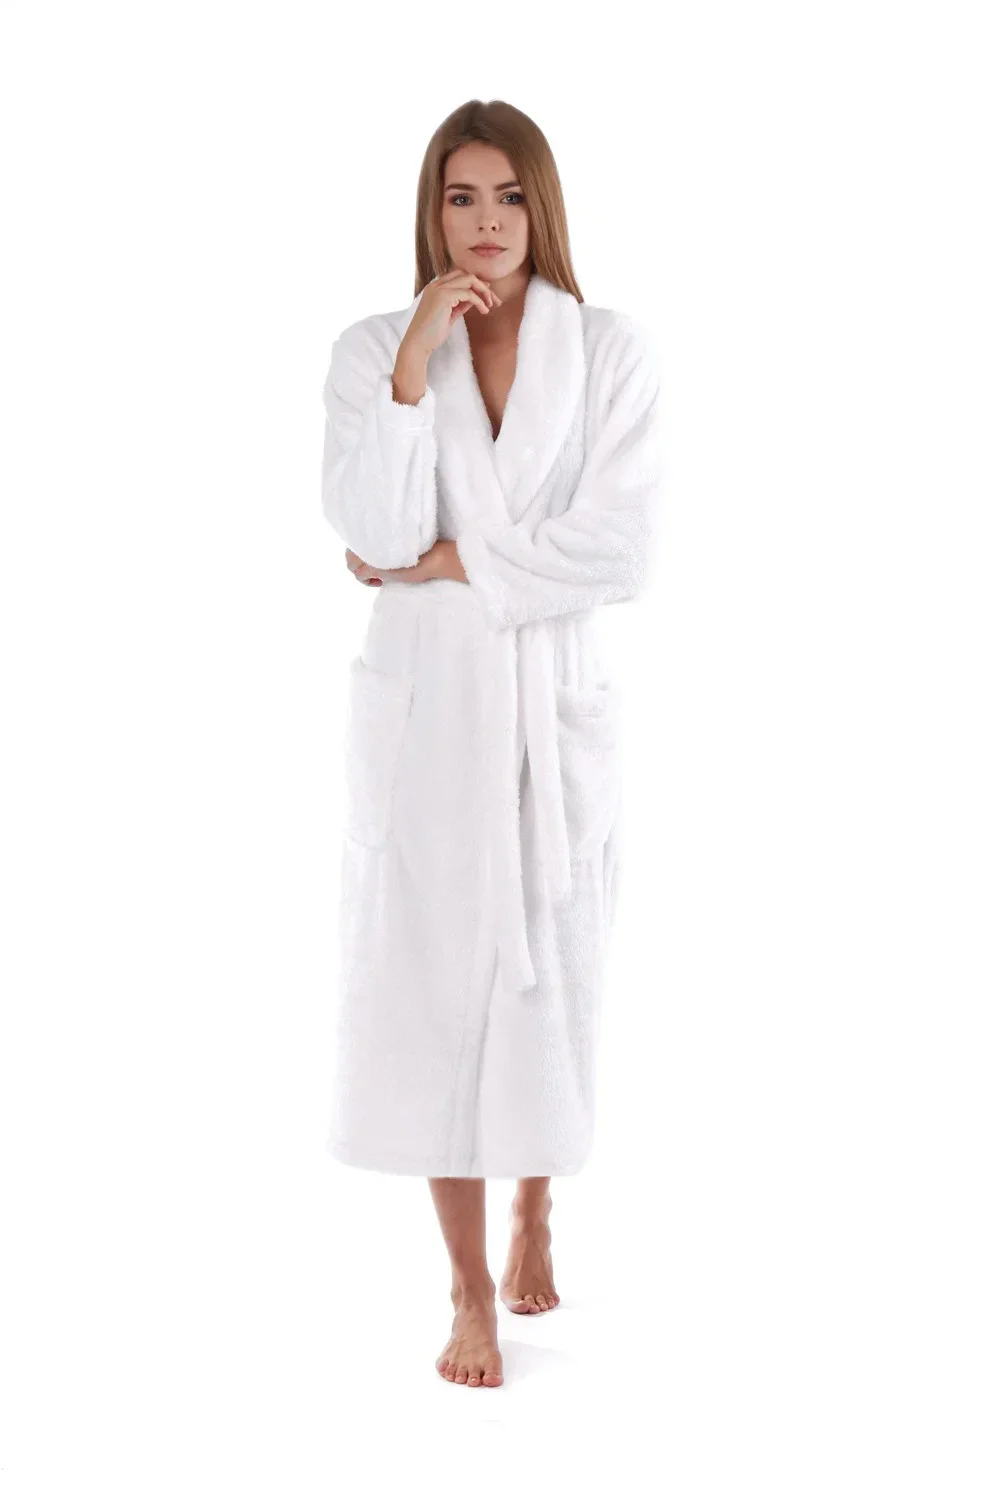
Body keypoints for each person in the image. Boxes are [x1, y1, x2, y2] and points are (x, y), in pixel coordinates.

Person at [320, 98, 664, 1388]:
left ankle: (536, 1204)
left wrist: (454, 559)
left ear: (543, 204)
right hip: (426, 721)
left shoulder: (612, 351)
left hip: (550, 716)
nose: (487, 222)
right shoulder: (372, 350)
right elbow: (370, 527)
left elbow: (623, 548)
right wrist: (415, 361)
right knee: (431, 999)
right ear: (432, 209)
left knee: (546, 981)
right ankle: (466, 1287)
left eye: (510, 195)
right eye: (461, 196)